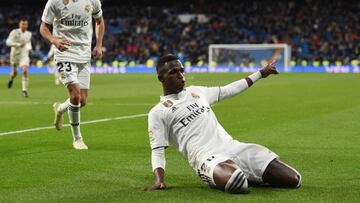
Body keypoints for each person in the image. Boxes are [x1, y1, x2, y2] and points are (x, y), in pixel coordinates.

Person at [145, 54, 301, 193]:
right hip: (207, 157)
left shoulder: (197, 91)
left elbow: (229, 90)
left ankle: (247, 173)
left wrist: (260, 73)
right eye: (173, 72)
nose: (180, 75)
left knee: (294, 179)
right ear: (161, 78)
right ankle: (240, 174)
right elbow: (157, 150)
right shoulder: (158, 113)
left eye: (181, 70)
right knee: (237, 182)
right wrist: (159, 180)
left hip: (234, 147)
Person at [39, 0, 105, 150]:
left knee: (82, 101)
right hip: (64, 53)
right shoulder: (54, 2)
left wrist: (99, 44)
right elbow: (43, 27)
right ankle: (77, 139)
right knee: (75, 95)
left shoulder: (93, 1)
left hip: (84, 54)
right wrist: (54, 40)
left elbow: (99, 21)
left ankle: (60, 108)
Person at [6, 19, 32, 97]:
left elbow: (28, 42)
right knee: (15, 73)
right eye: (23, 24)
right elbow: (8, 42)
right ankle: (11, 78)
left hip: (24, 54)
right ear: (19, 25)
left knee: (24, 70)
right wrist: (18, 44)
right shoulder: (14, 32)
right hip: (14, 55)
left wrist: (29, 48)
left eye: (26, 24)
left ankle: (24, 90)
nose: (24, 26)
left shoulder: (29, 34)